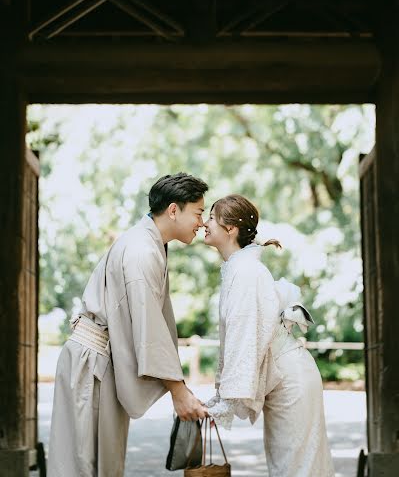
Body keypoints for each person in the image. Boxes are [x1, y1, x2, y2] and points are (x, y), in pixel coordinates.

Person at [47, 173, 209, 477]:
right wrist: (177, 390)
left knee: (97, 463)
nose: (201, 223)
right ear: (174, 210)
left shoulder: (148, 243)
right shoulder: (141, 250)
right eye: (199, 213)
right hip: (91, 364)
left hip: (99, 359)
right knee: (83, 464)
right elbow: (147, 325)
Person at [204, 194, 335, 477]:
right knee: (288, 466)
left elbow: (246, 334)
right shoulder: (238, 268)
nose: (205, 223)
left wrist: (227, 402)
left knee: (297, 468)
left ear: (230, 229)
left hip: (290, 381)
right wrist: (221, 395)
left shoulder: (247, 271)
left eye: (212, 218)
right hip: (283, 378)